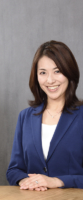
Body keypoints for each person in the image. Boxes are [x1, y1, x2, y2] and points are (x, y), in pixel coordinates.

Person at [6, 40, 83, 191]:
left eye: (57, 71)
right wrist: (25, 181)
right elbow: (14, 170)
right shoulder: (25, 117)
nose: (50, 80)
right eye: (43, 72)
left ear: (69, 72)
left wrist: (57, 181)